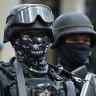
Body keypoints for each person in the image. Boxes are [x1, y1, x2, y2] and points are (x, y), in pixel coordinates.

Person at [0, 4, 67, 96]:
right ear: (14, 39)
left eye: (42, 33)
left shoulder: (61, 79)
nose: (38, 39)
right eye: (29, 33)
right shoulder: (3, 77)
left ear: (48, 38)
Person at [51, 13, 96, 95]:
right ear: (60, 44)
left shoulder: (92, 82)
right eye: (74, 40)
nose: (81, 44)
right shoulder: (49, 81)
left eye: (86, 41)